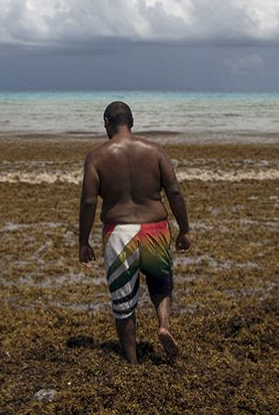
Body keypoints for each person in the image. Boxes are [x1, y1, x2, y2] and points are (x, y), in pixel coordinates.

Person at [78, 101, 192, 363]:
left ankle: (132, 363)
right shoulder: (154, 151)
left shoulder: (96, 157)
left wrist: (83, 242)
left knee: (124, 303)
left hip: (119, 233)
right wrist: (184, 229)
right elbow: (174, 191)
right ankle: (163, 325)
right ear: (132, 122)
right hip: (155, 228)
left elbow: (88, 202)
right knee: (161, 285)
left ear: (107, 122)